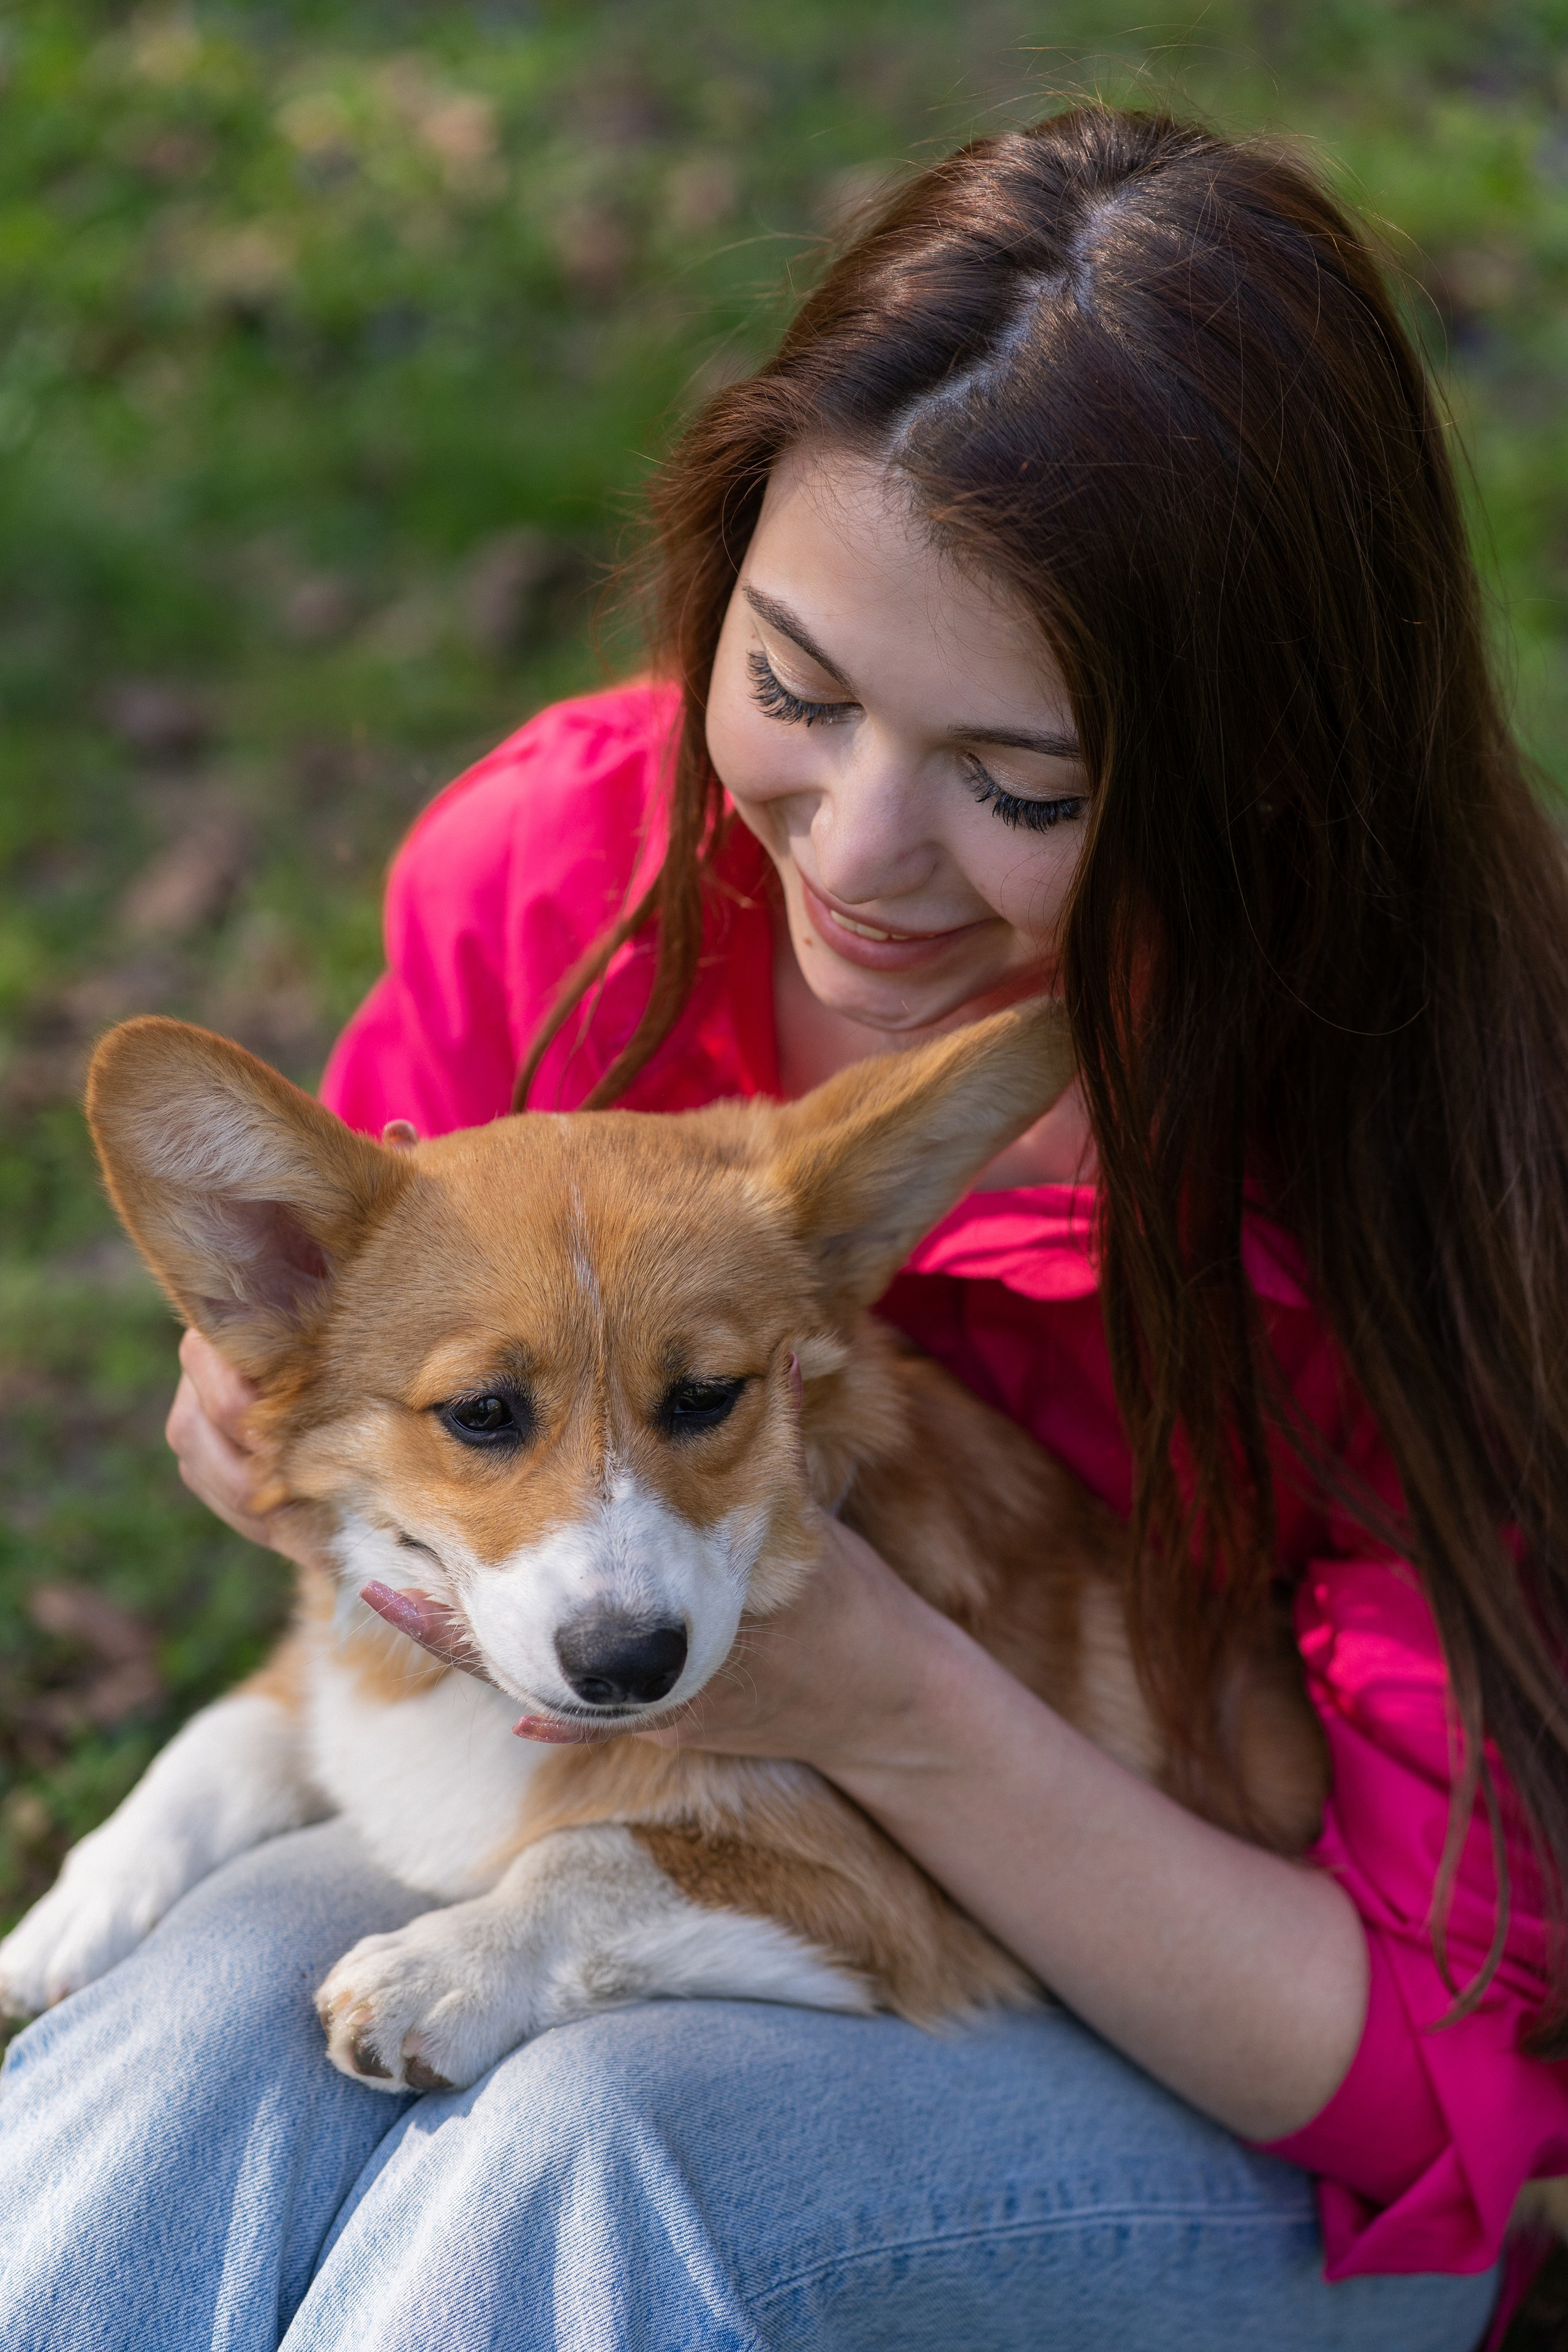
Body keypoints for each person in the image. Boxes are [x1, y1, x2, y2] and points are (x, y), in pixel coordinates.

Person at [0, 103, 1561, 2352]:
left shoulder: (1455, 1149)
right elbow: (370, 1421)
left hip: (1249, 2136)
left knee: (594, 2141)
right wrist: (283, 1448)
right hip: (631, 1851)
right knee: (201, 2012)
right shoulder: (562, 878)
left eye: (1018, 784)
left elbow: (1424, 2085)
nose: (857, 853)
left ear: (1263, 775)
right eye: (798, 690)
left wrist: (888, 1697)